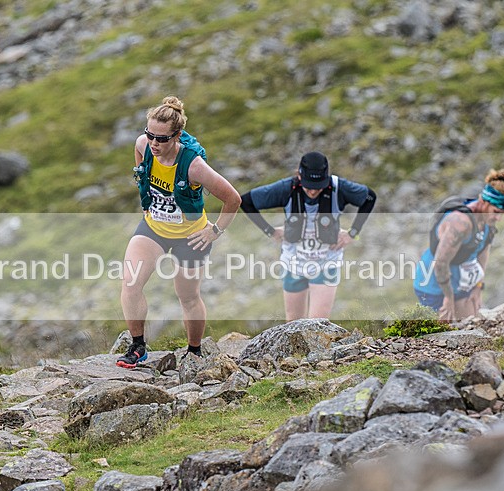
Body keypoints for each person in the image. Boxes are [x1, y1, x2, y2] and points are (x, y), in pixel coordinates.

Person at [118, 96, 241, 369]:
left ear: (177, 136)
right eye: (150, 135)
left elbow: (233, 199)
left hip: (191, 236)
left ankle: (194, 352)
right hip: (154, 228)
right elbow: (140, 161)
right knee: (130, 282)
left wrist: (215, 231)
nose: (154, 143)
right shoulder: (143, 145)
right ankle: (138, 346)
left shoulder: (194, 166)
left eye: (161, 139)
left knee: (187, 295)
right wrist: (143, 182)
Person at [240, 151, 376, 321]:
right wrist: (270, 231)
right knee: (293, 325)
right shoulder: (286, 188)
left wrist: (353, 233)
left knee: (317, 325)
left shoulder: (338, 188)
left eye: (318, 185)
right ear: (299, 176)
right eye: (308, 185)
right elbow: (245, 201)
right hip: (293, 262)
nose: (312, 191)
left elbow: (369, 197)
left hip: (326, 261)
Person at [413, 169, 504, 321]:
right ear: (485, 202)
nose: (498, 218)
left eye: (503, 214)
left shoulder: (487, 220)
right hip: (435, 286)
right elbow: (440, 263)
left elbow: (482, 254)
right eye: (496, 211)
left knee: (473, 328)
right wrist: (448, 298)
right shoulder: (460, 223)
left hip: (462, 285)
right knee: (443, 337)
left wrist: (478, 285)